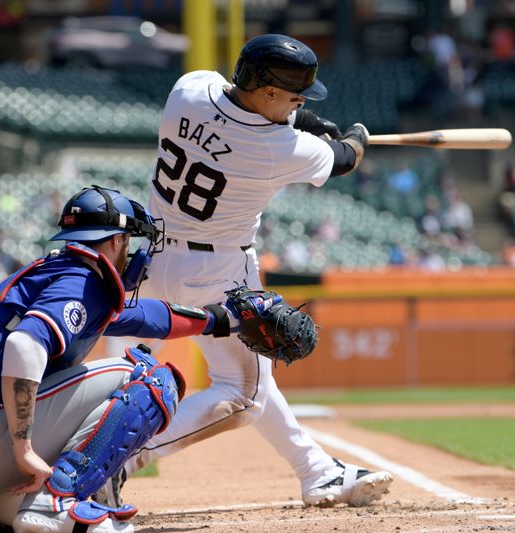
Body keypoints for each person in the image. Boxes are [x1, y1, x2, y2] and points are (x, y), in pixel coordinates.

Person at [104, 34, 393, 508]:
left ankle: (317, 472)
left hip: (153, 257)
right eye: (294, 94)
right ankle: (114, 460)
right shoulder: (277, 148)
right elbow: (343, 160)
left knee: (254, 380)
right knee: (241, 392)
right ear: (268, 91)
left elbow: (246, 110)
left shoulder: (189, 89)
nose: (299, 102)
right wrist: (354, 137)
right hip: (216, 272)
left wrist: (305, 118)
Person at [0, 186, 254, 532]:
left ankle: (64, 507)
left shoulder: (52, 274)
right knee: (151, 378)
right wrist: (23, 449)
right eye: (129, 240)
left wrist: (223, 318)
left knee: (96, 529)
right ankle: (55, 500)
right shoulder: (82, 282)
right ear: (115, 240)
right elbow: (24, 344)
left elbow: (145, 315)